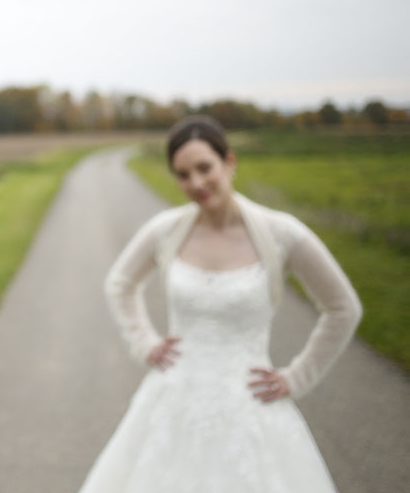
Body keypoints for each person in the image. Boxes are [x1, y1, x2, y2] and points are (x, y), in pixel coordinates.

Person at [78, 115, 361, 493]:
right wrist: (143, 341)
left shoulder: (282, 233)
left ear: (229, 162)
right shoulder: (166, 230)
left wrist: (298, 376)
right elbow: (120, 283)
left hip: (250, 406)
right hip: (172, 402)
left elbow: (343, 307)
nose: (195, 183)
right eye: (182, 174)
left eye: (204, 168)